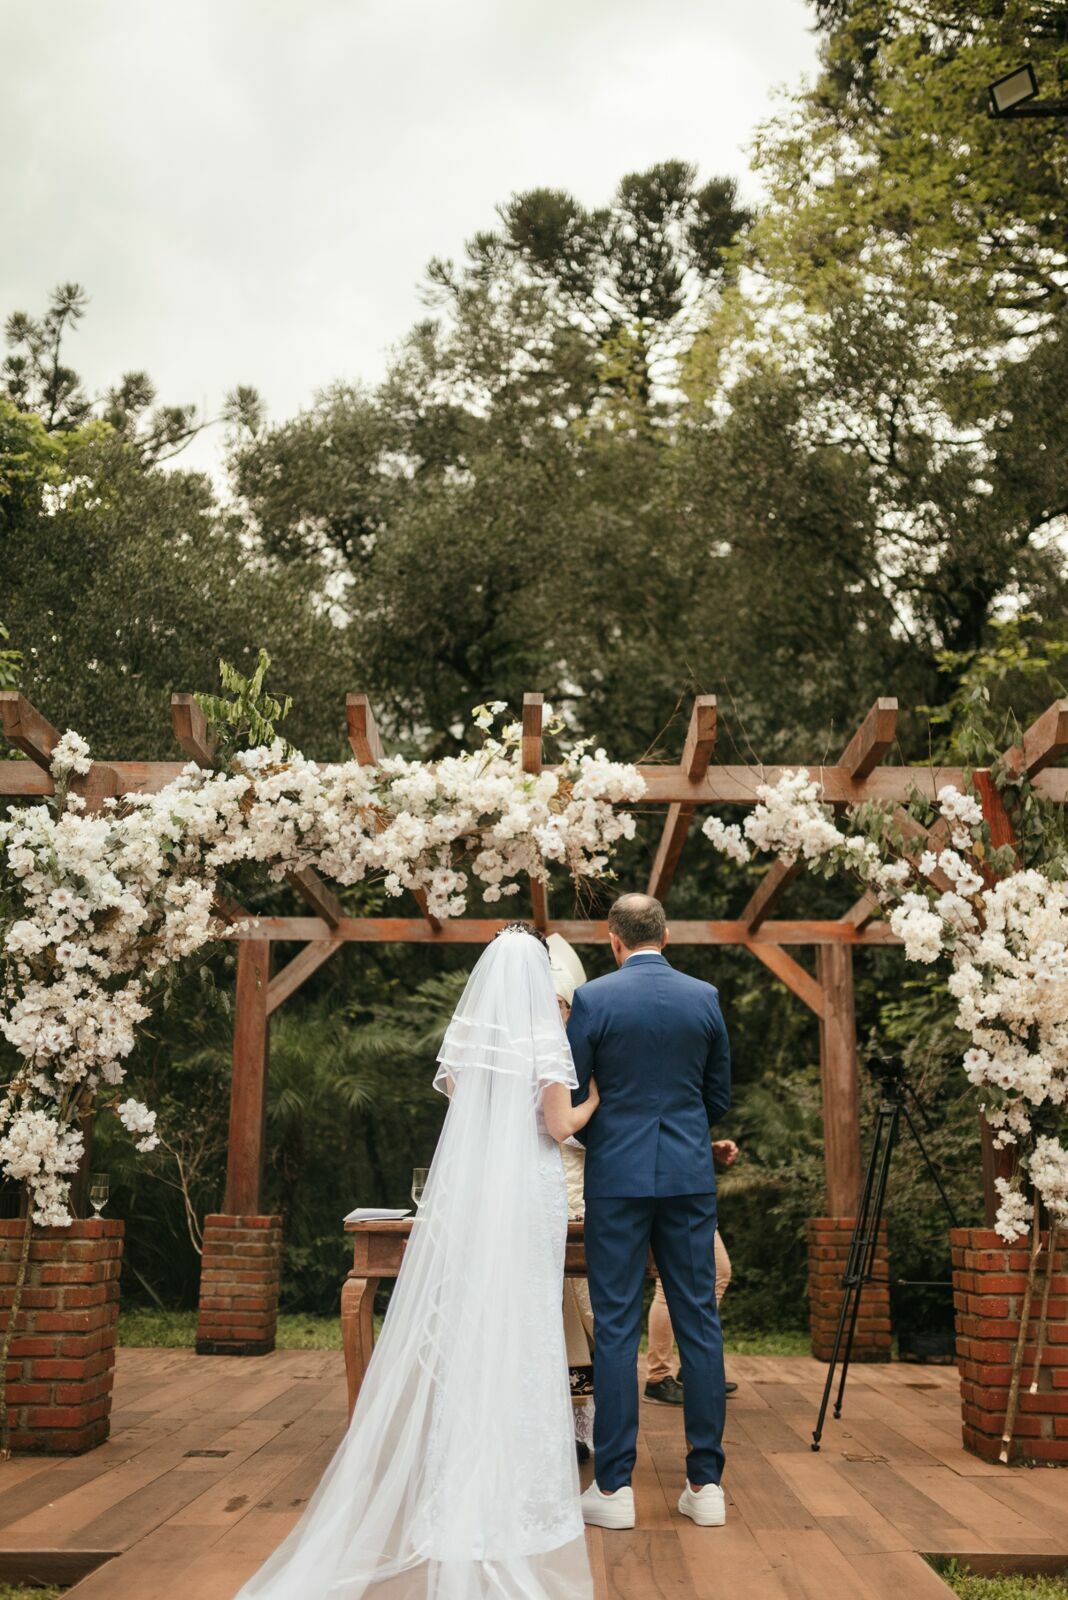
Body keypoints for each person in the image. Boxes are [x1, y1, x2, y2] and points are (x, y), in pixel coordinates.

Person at [233, 924, 599, 1600]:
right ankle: (518, 1495)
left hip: (477, 1192)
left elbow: (463, 1104)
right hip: (527, 1194)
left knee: (475, 1329)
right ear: (539, 986)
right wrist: (595, 1098)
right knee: (525, 1333)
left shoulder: (475, 1040)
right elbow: (557, 1126)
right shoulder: (545, 1038)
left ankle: (457, 1483)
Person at [567, 892, 731, 1532]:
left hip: (617, 1179)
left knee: (615, 1326)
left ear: (613, 940)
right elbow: (716, 1093)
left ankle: (613, 1489)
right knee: (699, 1323)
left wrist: (610, 1137)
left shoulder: (594, 1001)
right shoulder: (705, 998)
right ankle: (706, 1484)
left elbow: (577, 1094)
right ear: (667, 936)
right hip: (689, 1177)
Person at [548, 933, 596, 1459]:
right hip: (547, 1182)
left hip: (582, 1185)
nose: (557, 1012)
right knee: (557, 1307)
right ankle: (559, 1421)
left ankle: (585, 1419)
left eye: (563, 1004)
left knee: (587, 1307)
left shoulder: (586, 1048)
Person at [645, 1139, 739, 1405]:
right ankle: (657, 1377)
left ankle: (693, 1367)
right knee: (667, 1284)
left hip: (682, 1178)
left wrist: (708, 1147)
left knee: (719, 1271)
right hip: (664, 1186)